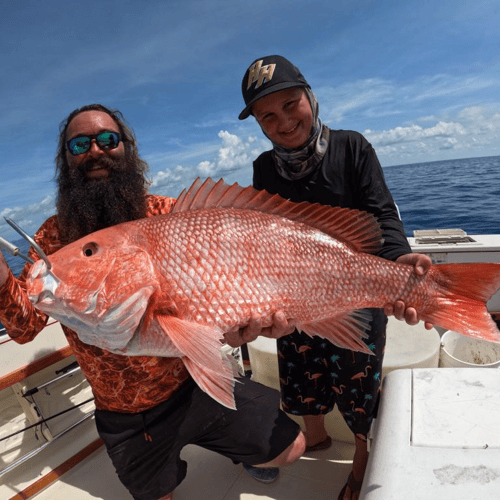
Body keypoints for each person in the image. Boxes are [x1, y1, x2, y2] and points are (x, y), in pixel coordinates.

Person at [0, 104, 306, 500]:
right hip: (127, 414)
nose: (95, 150)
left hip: (193, 382)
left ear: (127, 148)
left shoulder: (168, 213)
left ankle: (238, 447)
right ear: (66, 159)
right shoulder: (53, 238)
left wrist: (251, 322)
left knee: (292, 447)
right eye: (79, 144)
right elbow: (24, 327)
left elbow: (231, 284)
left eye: (108, 139)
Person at [238, 55, 433, 500]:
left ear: (311, 97)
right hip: (294, 294)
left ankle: (362, 453)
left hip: (354, 289)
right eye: (268, 116)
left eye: (291, 104)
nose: (284, 121)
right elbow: (263, 231)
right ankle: (317, 435)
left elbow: (381, 213)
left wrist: (398, 257)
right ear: (260, 126)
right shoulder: (263, 169)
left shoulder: (352, 147)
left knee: (358, 373)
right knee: (301, 367)